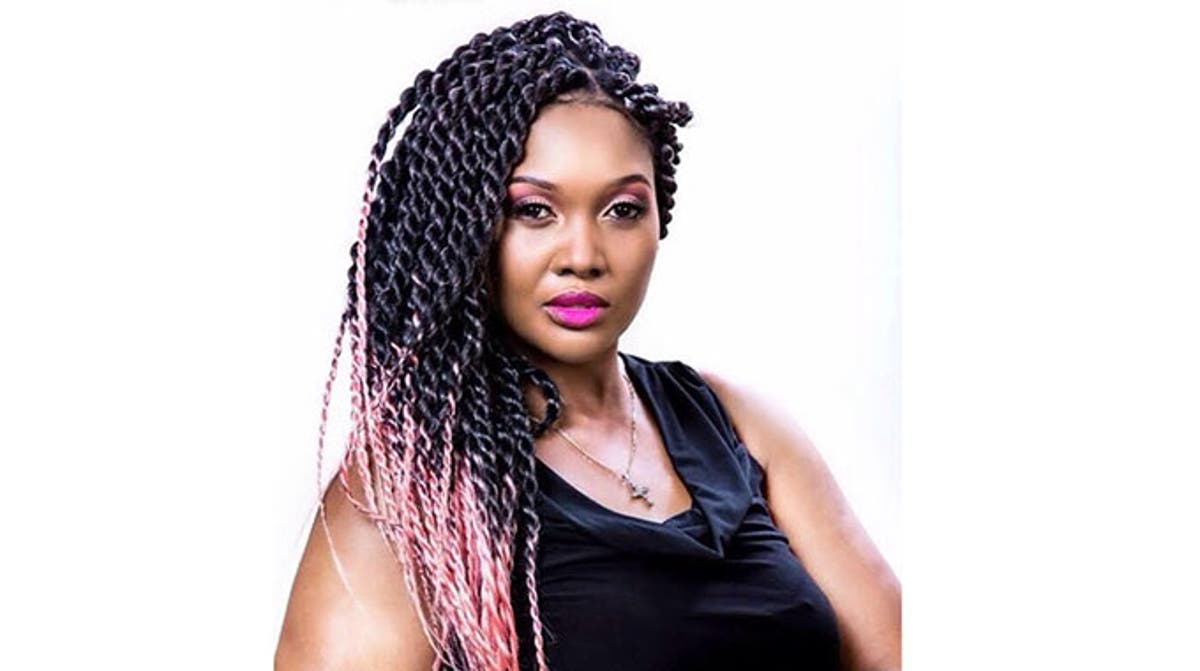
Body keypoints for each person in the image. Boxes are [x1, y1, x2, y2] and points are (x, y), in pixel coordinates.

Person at [275, 10, 900, 671]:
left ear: (659, 220)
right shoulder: (412, 484)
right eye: (534, 211)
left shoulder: (740, 423)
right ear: (467, 231)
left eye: (621, 210)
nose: (583, 255)